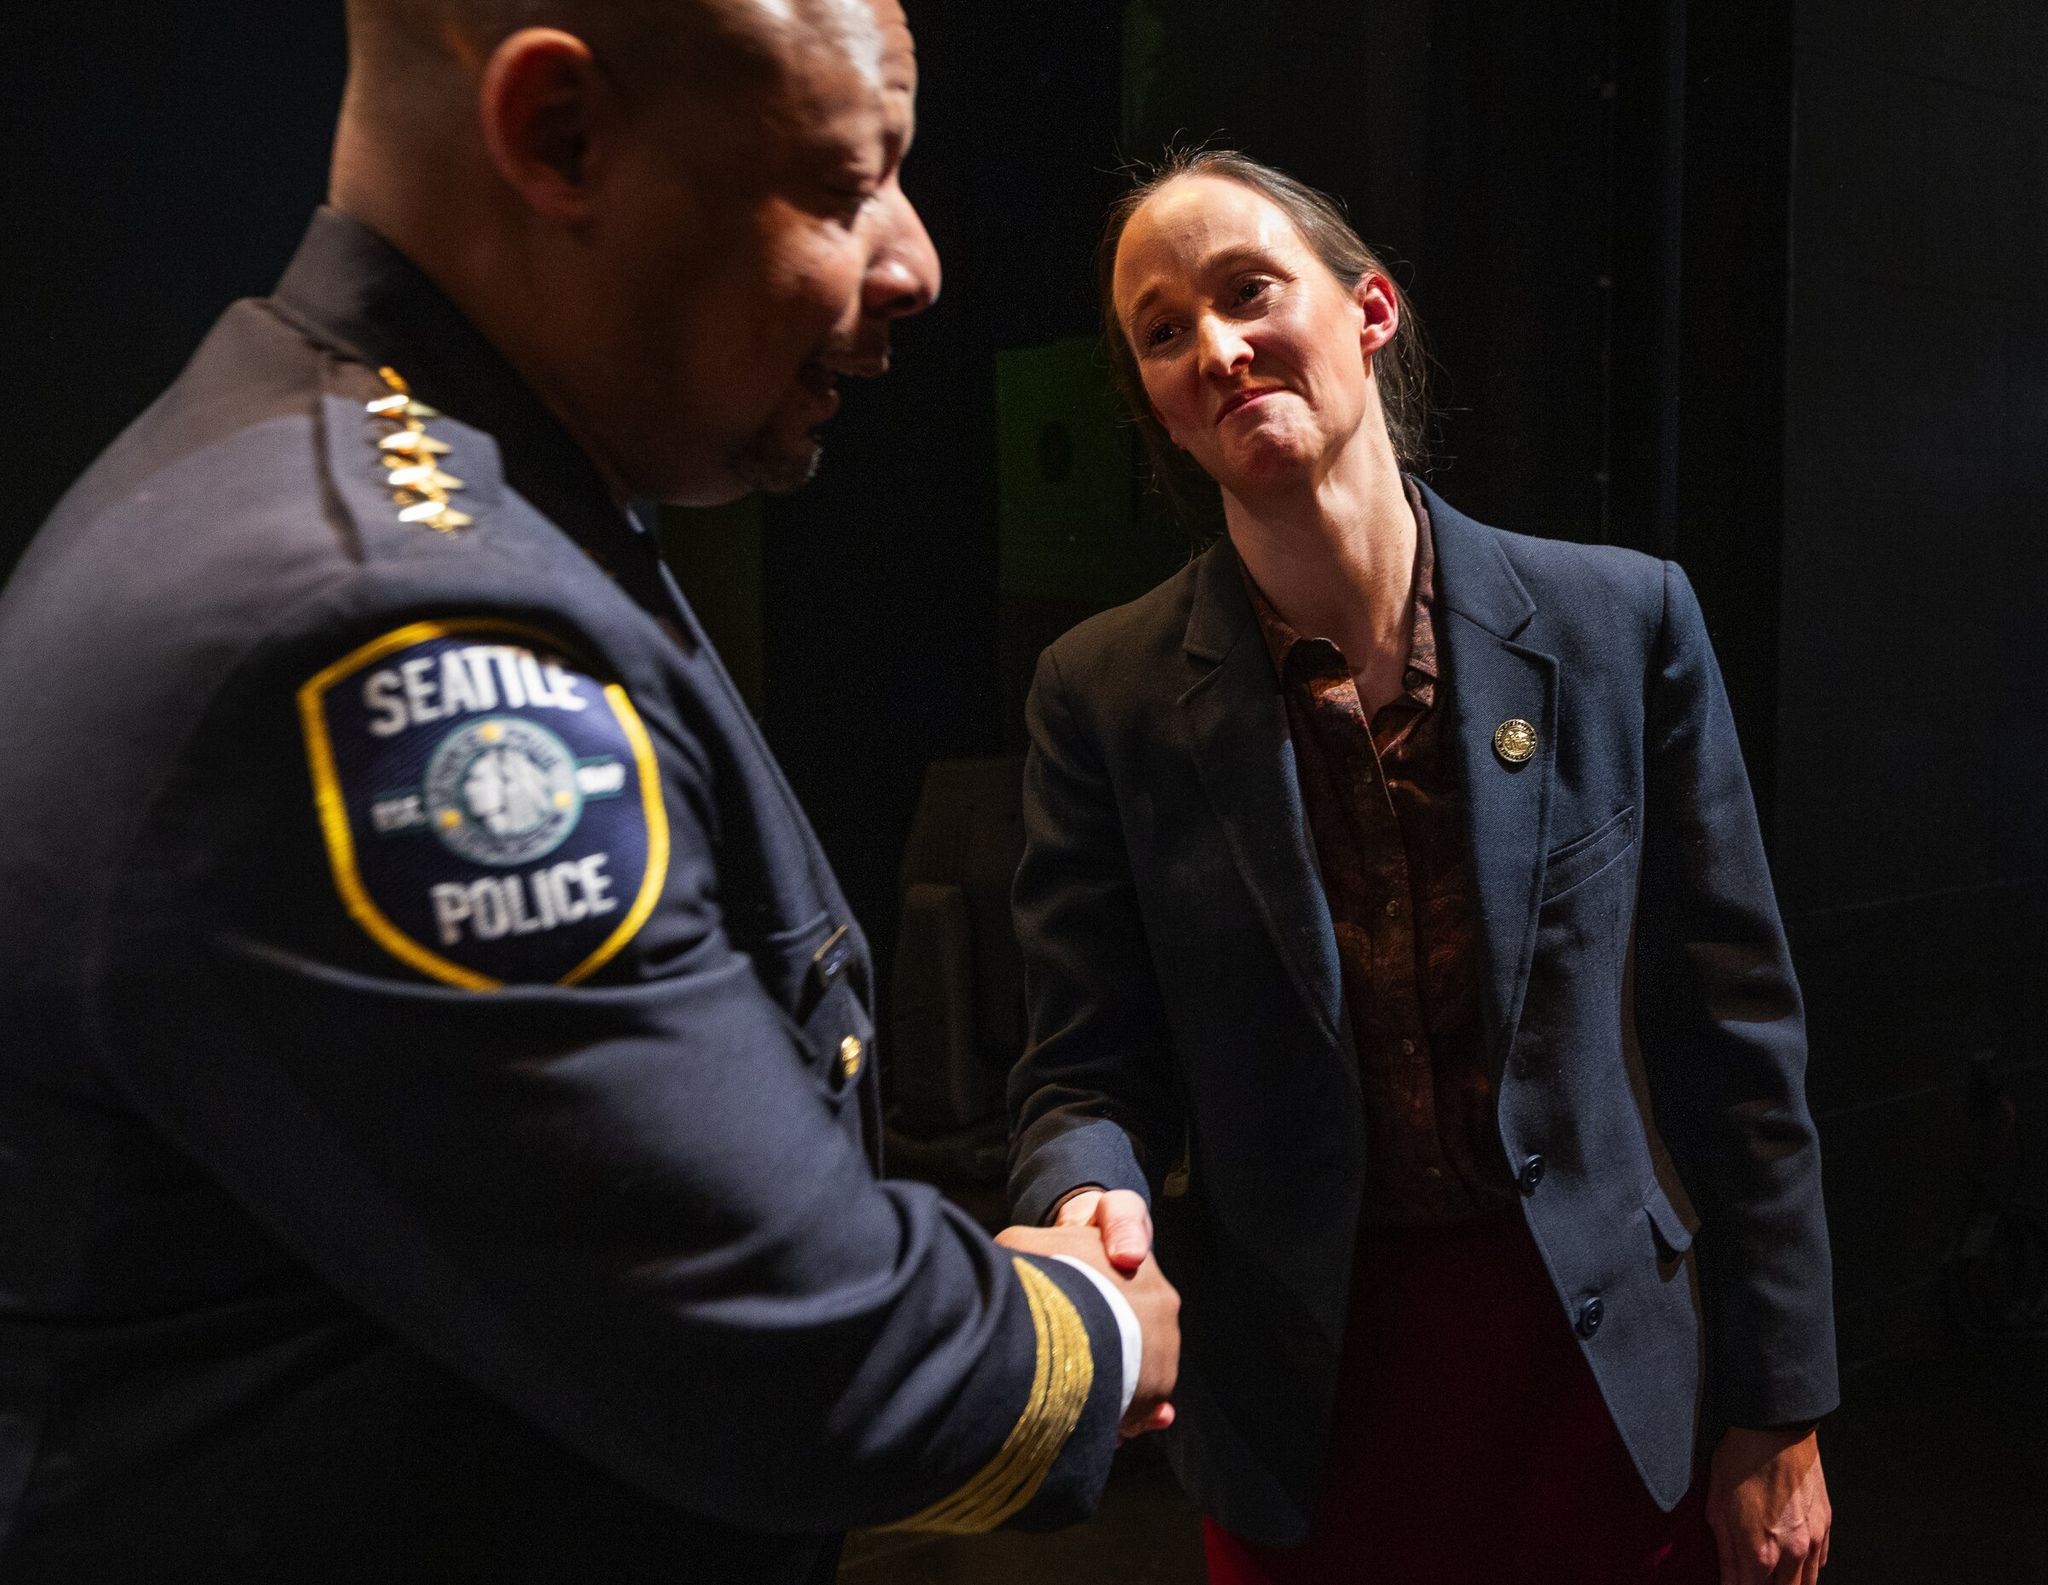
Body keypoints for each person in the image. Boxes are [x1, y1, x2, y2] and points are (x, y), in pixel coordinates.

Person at [0, 3, 1180, 1580]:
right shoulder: (395, 640)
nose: (915, 263)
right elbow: (791, 1354)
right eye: (842, 187)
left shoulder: (359, 471)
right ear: (561, 136)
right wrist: (1090, 1328)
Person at [1007, 149, 1837, 1585]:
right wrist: (1087, 1192)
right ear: (1153, 400)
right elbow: (1087, 1063)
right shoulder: (1104, 693)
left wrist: (1783, 1403)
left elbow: (1738, 1043)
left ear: (1369, 309)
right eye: (1160, 329)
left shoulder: (1618, 622)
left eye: (1247, 289)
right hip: (1309, 1401)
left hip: (1596, 1373)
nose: (1214, 344)